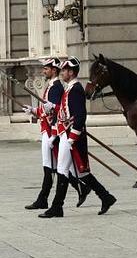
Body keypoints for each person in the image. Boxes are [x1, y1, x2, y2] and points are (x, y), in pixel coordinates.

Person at [39, 57, 116, 218]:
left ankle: (57, 207)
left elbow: (80, 116)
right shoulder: (70, 88)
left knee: (62, 170)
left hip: (71, 136)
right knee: (81, 174)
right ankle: (106, 197)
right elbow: (65, 111)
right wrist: (52, 108)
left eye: (65, 71)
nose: (62, 73)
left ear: (71, 72)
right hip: (65, 133)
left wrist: (72, 138)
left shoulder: (75, 89)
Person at [22, 58, 89, 210]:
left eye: (46, 69)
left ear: (54, 70)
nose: (43, 71)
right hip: (51, 129)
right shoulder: (53, 86)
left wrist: (56, 134)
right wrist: (34, 111)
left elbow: (57, 111)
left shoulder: (58, 87)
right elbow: (49, 110)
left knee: (55, 167)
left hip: (55, 130)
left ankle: (47, 200)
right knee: (55, 167)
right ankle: (80, 189)